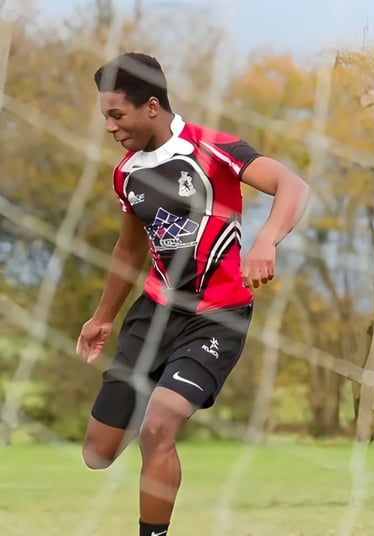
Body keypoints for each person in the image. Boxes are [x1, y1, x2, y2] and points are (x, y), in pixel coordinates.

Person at [75, 52, 309, 536]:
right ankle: (148, 396)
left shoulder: (213, 148)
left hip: (217, 317)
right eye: (106, 117)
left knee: (159, 428)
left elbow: (292, 184)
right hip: (153, 314)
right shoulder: (127, 173)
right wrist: (102, 317)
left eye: (116, 115)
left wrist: (266, 239)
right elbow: (130, 247)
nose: (110, 127)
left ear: (152, 107)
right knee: (97, 454)